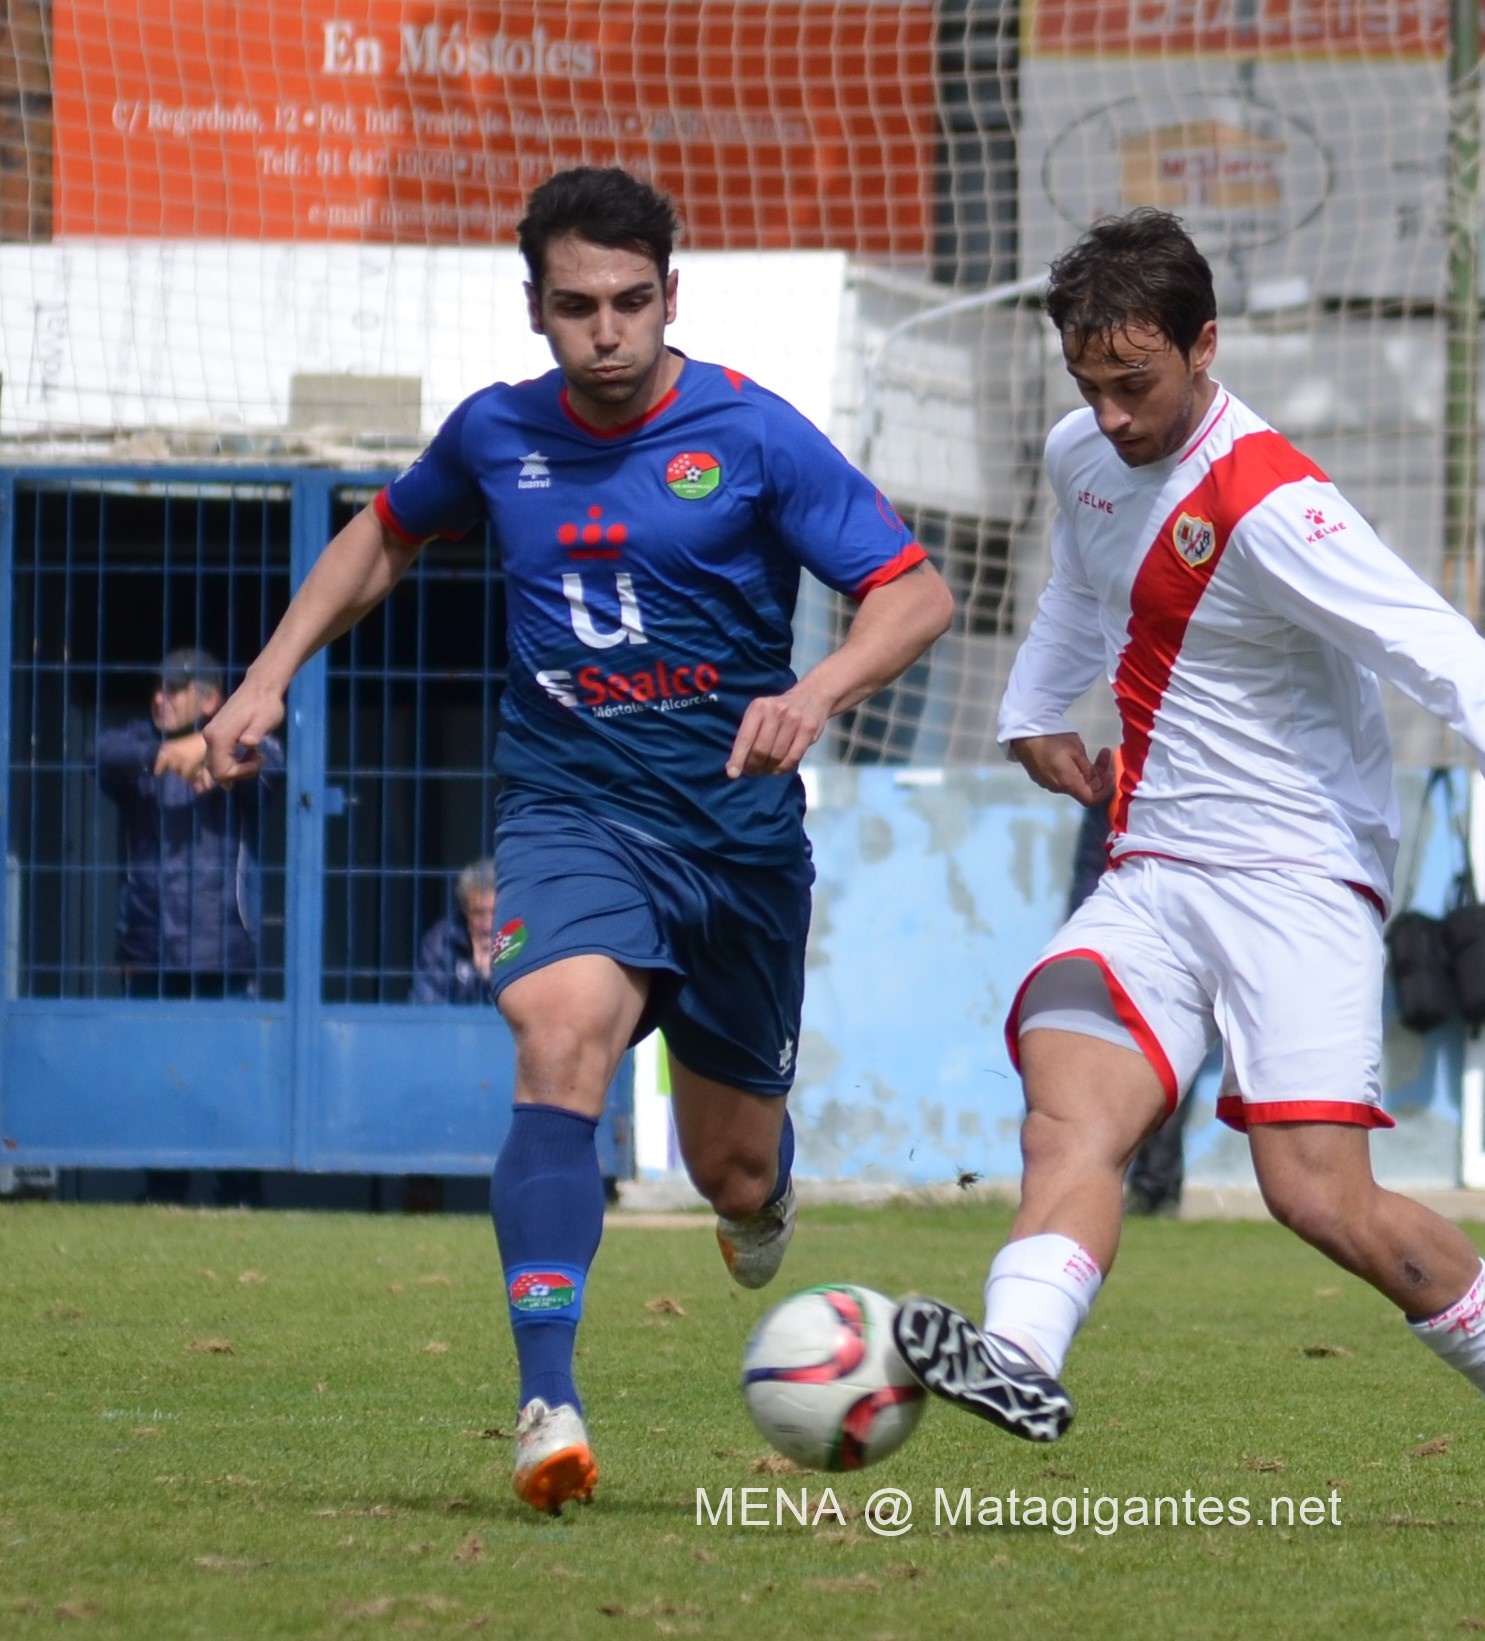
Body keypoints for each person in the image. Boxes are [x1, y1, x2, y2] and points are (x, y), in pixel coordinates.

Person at [201, 167, 953, 1515]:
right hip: (569, 812)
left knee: (729, 1168)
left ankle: (760, 1196)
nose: (605, 330)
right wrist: (268, 679)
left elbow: (912, 591)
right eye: (575, 306)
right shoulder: (494, 436)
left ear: (672, 294)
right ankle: (548, 1397)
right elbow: (382, 537)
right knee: (555, 1037)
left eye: (630, 301)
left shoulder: (754, 432)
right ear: (535, 308)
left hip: (733, 839)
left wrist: (813, 691)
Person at [889, 210, 1485, 1529]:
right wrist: (1034, 713)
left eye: (1137, 385)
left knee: (1314, 1197)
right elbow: (1076, 586)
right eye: (1089, 387)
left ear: (1204, 346)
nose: (1109, 416)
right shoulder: (1082, 455)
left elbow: (1436, 646)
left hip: (1297, 882)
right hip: (1155, 871)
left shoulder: (1272, 502)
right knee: (1068, 1107)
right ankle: (1019, 1357)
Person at [94, 648, 282, 999]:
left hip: (224, 947)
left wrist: (206, 748)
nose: (159, 698)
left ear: (211, 700)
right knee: (149, 1047)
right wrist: (161, 755)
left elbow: (271, 759)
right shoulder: (142, 742)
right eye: (158, 687)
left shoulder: (245, 749)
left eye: (174, 689)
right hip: (149, 943)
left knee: (232, 1050)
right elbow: (100, 751)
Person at [1067, 797, 1192, 1218]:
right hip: (1124, 935)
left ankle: (1155, 1187)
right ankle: (1108, 1184)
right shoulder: (1119, 774)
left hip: (1180, 940)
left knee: (1168, 1066)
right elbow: (1090, 864)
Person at [412, 857, 499, 1005]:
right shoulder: (442, 941)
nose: (487, 925)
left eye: (495, 912)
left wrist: (493, 979)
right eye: (478, 913)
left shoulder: (523, 939)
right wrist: (477, 976)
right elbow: (426, 1006)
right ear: (465, 910)